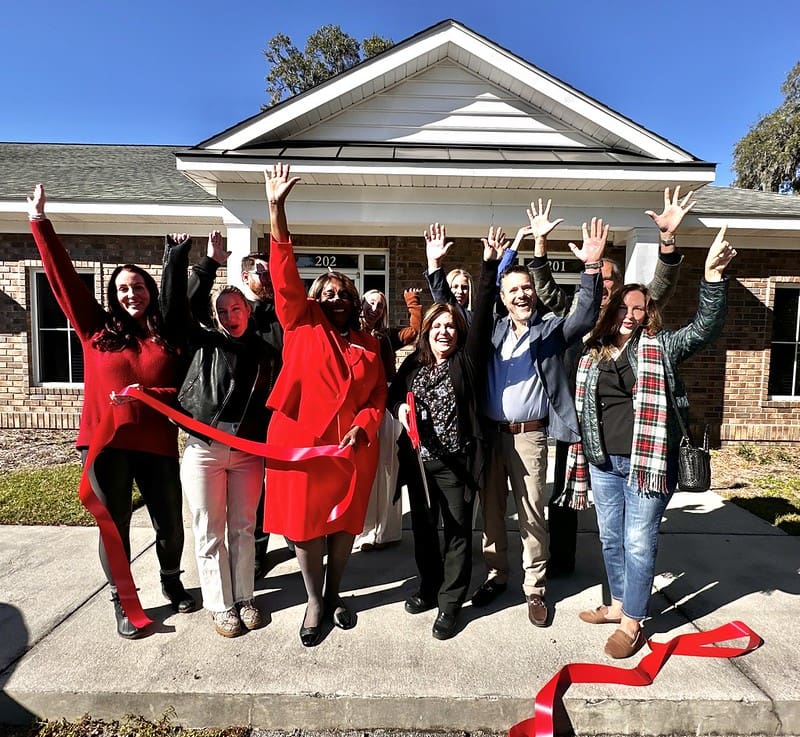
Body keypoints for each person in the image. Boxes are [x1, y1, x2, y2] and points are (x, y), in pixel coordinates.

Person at [26, 184, 194, 640]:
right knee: (114, 526)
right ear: (112, 294)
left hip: (157, 444)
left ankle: (172, 582)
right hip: (107, 446)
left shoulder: (167, 337)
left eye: (138, 286)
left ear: (150, 290)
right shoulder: (95, 329)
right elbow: (60, 280)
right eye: (122, 288)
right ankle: (124, 601)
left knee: (169, 522)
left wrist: (148, 392)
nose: (130, 293)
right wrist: (40, 222)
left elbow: (180, 390)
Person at [567, 225, 735, 659]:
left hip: (649, 463)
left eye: (638, 308)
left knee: (639, 541)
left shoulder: (662, 347)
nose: (630, 313)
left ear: (647, 313)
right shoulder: (593, 350)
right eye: (623, 306)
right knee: (610, 539)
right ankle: (619, 603)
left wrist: (713, 278)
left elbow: (703, 330)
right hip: (604, 463)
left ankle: (632, 622)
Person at [516, 188, 695, 577]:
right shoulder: (577, 313)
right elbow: (545, 288)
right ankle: (563, 562)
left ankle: (627, 570)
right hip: (577, 420)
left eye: (611, 279)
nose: (607, 287)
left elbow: (661, 286)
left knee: (626, 514)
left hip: (624, 426)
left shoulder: (633, 316)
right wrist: (540, 244)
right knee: (564, 493)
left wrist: (667, 242)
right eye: (602, 279)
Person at [262, 163, 387, 647]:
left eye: (344, 294)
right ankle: (314, 600)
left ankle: (335, 593)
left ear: (354, 302)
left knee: (342, 526)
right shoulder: (300, 321)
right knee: (306, 529)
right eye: (329, 292)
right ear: (316, 297)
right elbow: (285, 277)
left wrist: (365, 424)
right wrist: (277, 210)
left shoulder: (369, 345)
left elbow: (377, 395)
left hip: (351, 447)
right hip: (300, 443)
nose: (336, 298)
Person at [470, 215, 606, 627]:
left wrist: (591, 268)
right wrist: (493, 262)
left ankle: (535, 588)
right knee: (491, 513)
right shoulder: (491, 331)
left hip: (529, 437)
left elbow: (584, 316)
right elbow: (473, 307)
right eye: (514, 290)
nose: (523, 294)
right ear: (504, 297)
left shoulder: (549, 331)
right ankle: (497, 574)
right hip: (491, 435)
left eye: (527, 287)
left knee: (531, 513)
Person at [161, 231, 280, 638]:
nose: (232, 316)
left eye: (238, 308)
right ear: (215, 316)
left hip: (247, 452)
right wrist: (204, 263)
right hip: (205, 450)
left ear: (248, 310)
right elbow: (174, 311)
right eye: (224, 310)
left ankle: (245, 596)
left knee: (244, 527)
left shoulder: (264, 350)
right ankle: (219, 605)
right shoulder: (203, 343)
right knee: (209, 530)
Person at [389, 225, 505, 640]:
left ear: (459, 333)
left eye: (451, 327)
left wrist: (489, 265)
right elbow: (391, 398)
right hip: (419, 464)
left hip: (457, 465)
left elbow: (486, 306)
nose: (443, 331)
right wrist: (399, 406)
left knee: (457, 534)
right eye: (437, 326)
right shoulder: (413, 364)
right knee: (422, 529)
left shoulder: (468, 361)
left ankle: (450, 604)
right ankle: (428, 586)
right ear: (427, 331)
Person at [186, 243, 287, 580]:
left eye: (271, 269)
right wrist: (208, 264)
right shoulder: (234, 320)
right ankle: (256, 554)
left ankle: (282, 535)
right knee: (247, 501)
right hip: (240, 425)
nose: (268, 274)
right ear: (245, 277)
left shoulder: (283, 315)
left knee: (277, 487)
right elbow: (188, 308)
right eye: (260, 270)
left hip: (279, 416)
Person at [355, 287, 423, 552]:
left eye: (380, 305)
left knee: (388, 467)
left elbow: (414, 332)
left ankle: (386, 531)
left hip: (385, 405)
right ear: (360, 304)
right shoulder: (347, 333)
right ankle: (364, 531)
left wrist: (412, 302)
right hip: (359, 409)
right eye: (370, 302)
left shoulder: (385, 337)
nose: (374, 308)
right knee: (365, 471)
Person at [424, 223, 474, 324]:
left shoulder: (476, 317)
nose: (460, 291)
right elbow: (442, 294)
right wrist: (434, 263)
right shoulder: (448, 313)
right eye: (455, 287)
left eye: (464, 287)